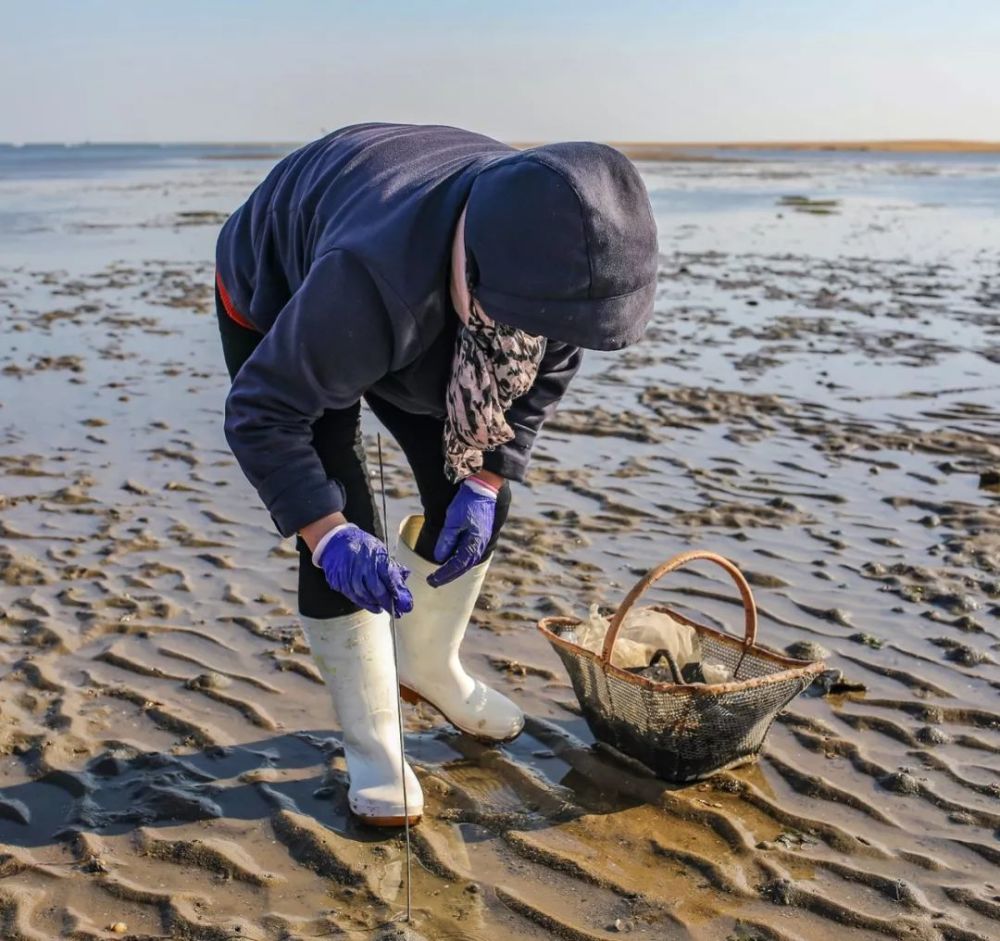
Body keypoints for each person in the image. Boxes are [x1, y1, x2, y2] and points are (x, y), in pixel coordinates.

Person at [215, 123, 658, 826]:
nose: (559, 341)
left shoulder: (560, 259)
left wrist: (485, 485)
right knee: (344, 512)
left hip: (425, 300)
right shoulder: (367, 282)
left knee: (477, 489)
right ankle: (372, 742)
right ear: (480, 275)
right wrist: (327, 534)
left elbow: (541, 383)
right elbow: (262, 414)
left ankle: (427, 665)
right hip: (288, 286)